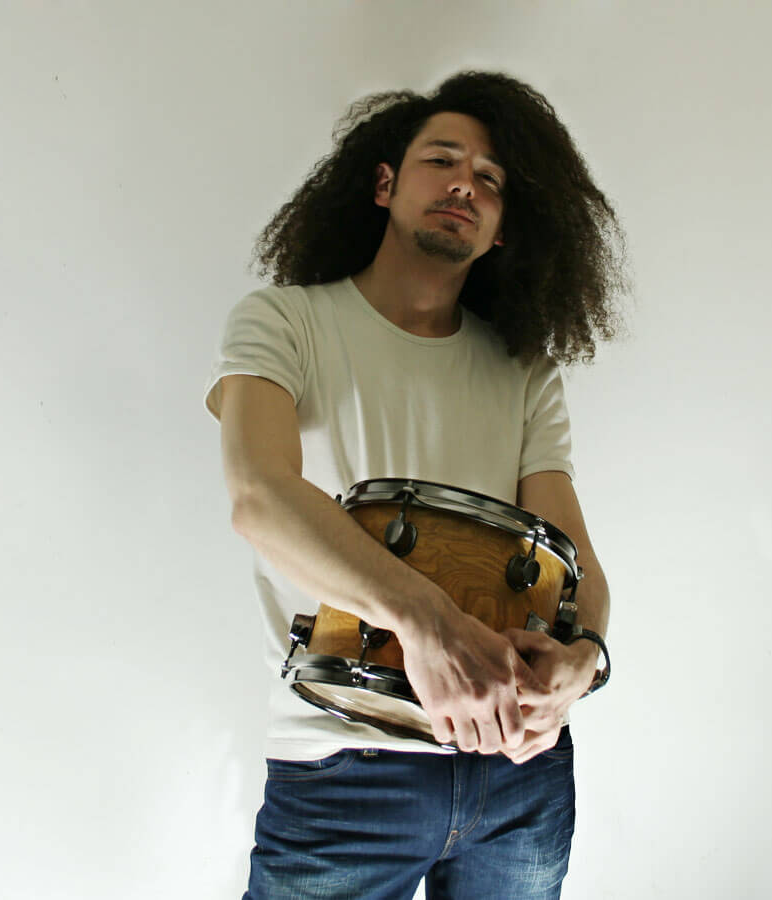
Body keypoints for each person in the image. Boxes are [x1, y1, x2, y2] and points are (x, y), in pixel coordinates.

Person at [204, 70, 629, 899]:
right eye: (442, 160)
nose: (465, 183)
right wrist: (426, 621)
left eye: (491, 180)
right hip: (344, 764)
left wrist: (582, 662)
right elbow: (259, 495)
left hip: (521, 777)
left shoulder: (524, 372)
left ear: (502, 231)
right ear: (384, 184)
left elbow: (574, 564)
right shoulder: (284, 321)